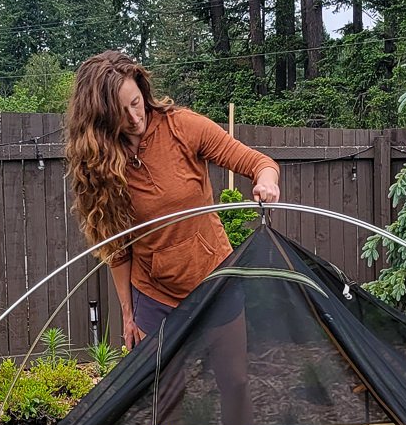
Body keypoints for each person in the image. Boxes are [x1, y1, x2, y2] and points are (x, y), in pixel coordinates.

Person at [64, 50, 280, 348]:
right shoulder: (98, 163)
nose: (133, 118)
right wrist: (128, 314)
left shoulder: (183, 126)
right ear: (100, 117)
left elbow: (259, 163)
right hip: (154, 299)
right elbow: (116, 246)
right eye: (119, 112)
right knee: (162, 393)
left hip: (215, 282)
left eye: (135, 103)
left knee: (235, 383)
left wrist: (266, 181)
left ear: (142, 89)